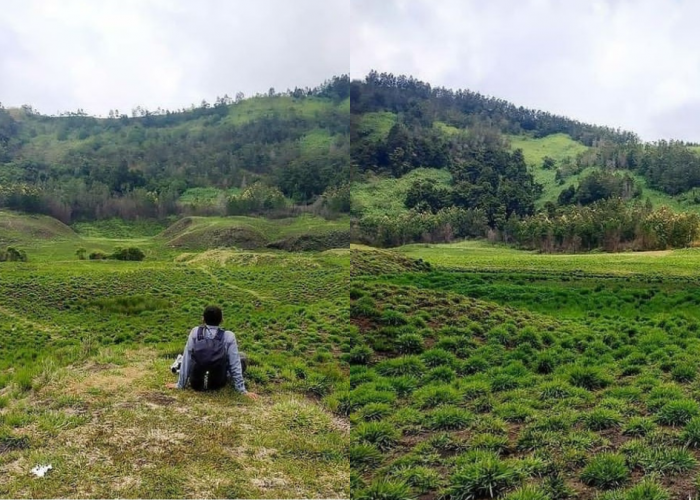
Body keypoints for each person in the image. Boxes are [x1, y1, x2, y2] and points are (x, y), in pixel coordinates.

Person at [167, 305, 258, 400]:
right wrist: (242, 391)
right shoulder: (228, 336)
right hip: (218, 383)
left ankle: (179, 367)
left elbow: (187, 358)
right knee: (242, 357)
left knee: (187, 358)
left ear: (203, 319)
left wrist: (180, 384)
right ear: (222, 320)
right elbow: (235, 364)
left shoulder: (195, 332)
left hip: (196, 383)